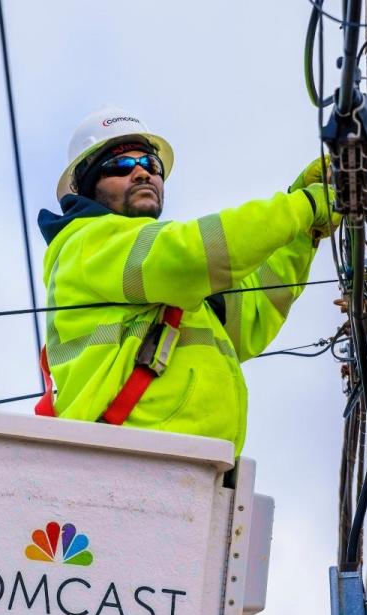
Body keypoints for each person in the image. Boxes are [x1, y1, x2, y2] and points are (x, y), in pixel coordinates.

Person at [34, 107, 338, 455]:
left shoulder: (165, 282)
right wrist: (304, 205)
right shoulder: (88, 244)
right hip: (127, 459)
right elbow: (194, 254)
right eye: (119, 166)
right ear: (87, 186)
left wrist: (302, 231)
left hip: (188, 469)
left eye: (151, 165)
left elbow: (254, 312)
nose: (141, 173)